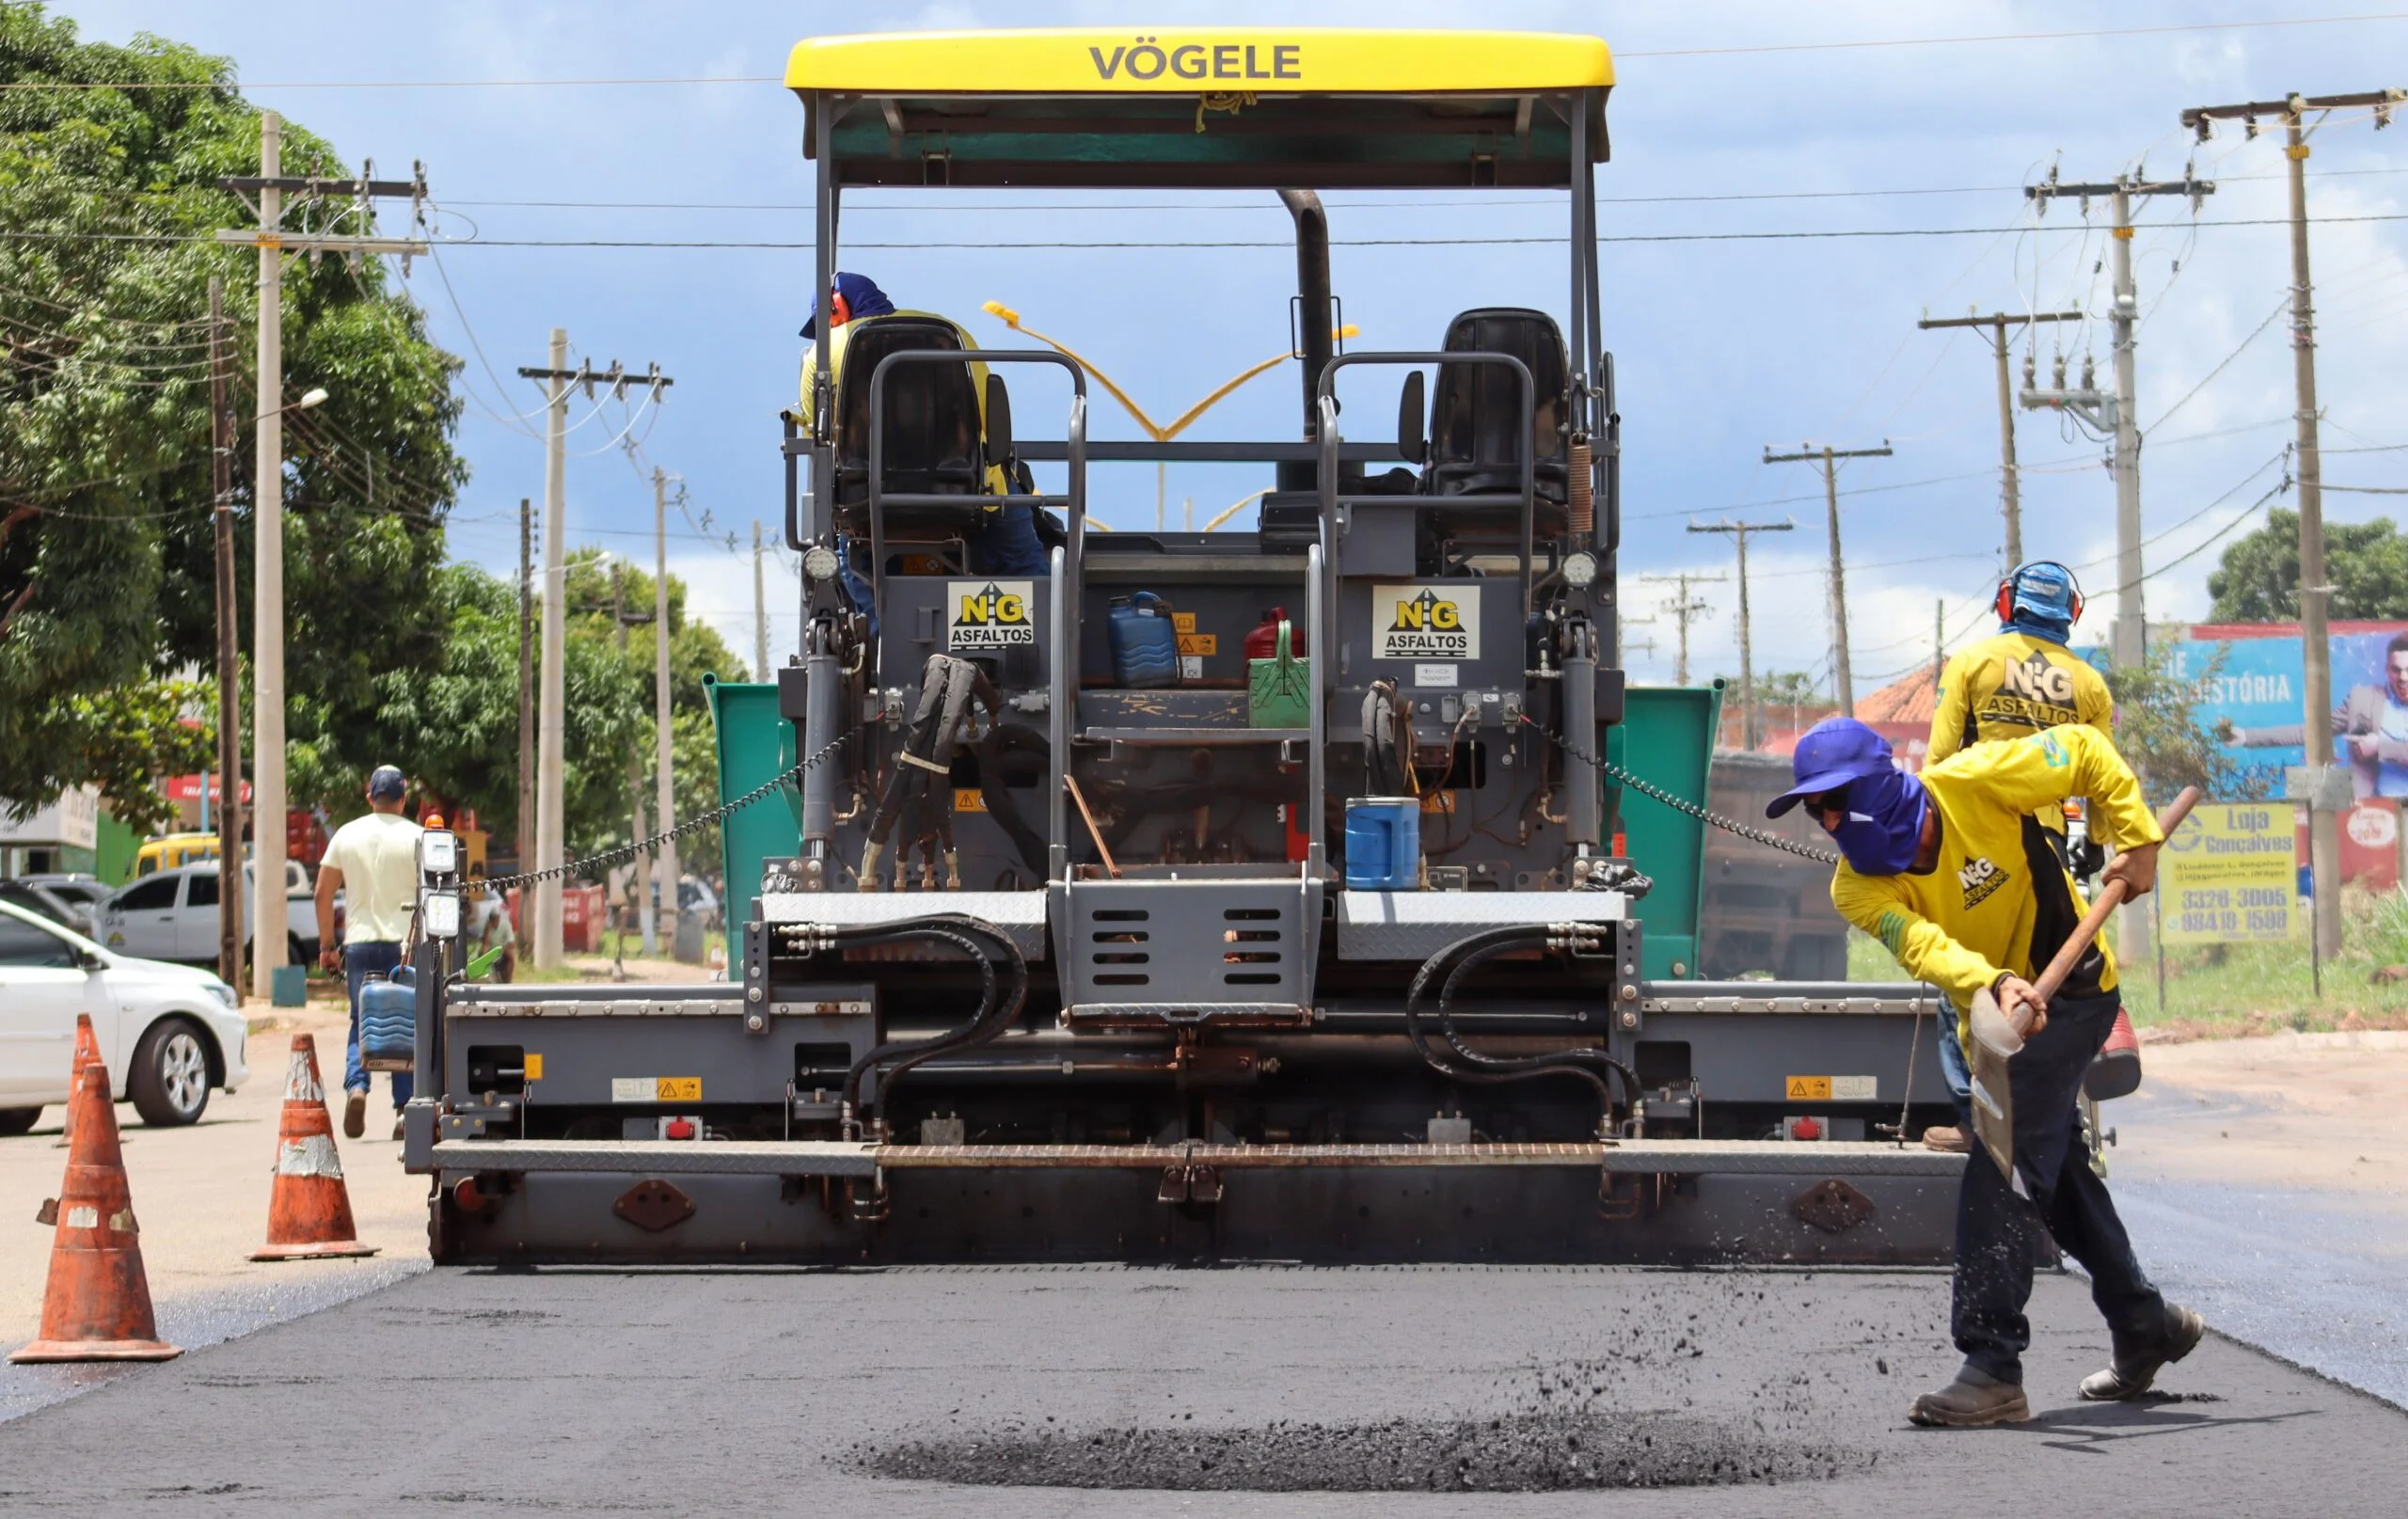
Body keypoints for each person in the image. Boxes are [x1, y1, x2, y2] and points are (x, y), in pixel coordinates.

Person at [1767, 717, 2200, 1428]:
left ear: (1879, 784)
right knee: (2053, 1177)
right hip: (1998, 1023)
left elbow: (2087, 751)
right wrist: (1995, 981)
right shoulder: (1856, 889)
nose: (1828, 821)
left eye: (1835, 800)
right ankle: (2144, 1321)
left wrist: (2138, 836)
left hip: (2078, 989)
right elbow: (1927, 949)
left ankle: (1993, 1362)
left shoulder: (1976, 780)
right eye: (1816, 810)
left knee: (2001, 1162)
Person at [1920, 561, 2115, 1154]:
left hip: (1977, 845)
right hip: (2048, 851)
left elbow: (1939, 760)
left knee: (1968, 981)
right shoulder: (2088, 683)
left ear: (2007, 602)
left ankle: (1973, 1119)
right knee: (2041, 985)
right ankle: (2043, 1117)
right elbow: (2104, 777)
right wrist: (2102, 845)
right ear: (2071, 613)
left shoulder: (1972, 663)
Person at [796, 272, 1053, 580]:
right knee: (1024, 563)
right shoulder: (952, 333)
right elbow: (989, 414)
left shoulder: (823, 353)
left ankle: (879, 627)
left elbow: (819, 438)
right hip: (968, 494)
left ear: (837, 308)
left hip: (866, 504)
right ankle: (1036, 620)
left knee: (849, 568)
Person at [315, 765, 424, 1142]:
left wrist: (328, 946)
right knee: (407, 1023)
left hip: (359, 944)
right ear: (404, 798)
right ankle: (404, 1113)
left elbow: (322, 893)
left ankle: (357, 1088)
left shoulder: (347, 834)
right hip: (406, 946)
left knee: (362, 1020)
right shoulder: (420, 837)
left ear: (369, 797)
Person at [2226, 629, 2408, 799]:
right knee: (2306, 787)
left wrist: (2380, 747)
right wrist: (2246, 737)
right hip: (2374, 811)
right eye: (2396, 670)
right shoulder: (2363, 699)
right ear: (2387, 669)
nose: (2403, 678)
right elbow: (2314, 732)